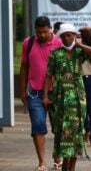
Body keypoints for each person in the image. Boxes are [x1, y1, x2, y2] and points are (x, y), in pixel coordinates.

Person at [43, 23, 91, 171]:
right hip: (59, 100)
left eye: (70, 35)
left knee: (75, 134)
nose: (67, 38)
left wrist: (79, 45)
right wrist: (45, 96)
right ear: (60, 37)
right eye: (64, 36)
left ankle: (71, 167)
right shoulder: (55, 54)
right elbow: (48, 76)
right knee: (61, 133)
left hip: (77, 100)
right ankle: (63, 165)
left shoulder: (79, 52)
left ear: (74, 36)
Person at [20, 16, 62, 171]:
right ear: (35, 30)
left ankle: (58, 157)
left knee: (58, 126)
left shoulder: (59, 42)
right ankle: (42, 162)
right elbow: (24, 67)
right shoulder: (28, 43)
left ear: (50, 29)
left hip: (56, 92)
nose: (42, 35)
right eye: (39, 32)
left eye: (45, 32)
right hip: (35, 93)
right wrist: (23, 90)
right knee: (37, 126)